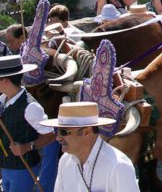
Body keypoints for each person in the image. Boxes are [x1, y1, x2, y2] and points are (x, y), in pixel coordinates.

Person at [41, 101, 139, 191]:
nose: (58, 138)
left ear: (87, 132)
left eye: (63, 132)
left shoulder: (118, 166)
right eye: (57, 131)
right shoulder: (65, 161)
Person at [0, 55, 57, 191]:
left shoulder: (31, 107)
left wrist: (27, 147)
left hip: (23, 170)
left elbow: (51, 136)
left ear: (5, 80)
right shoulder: (2, 99)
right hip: (6, 167)